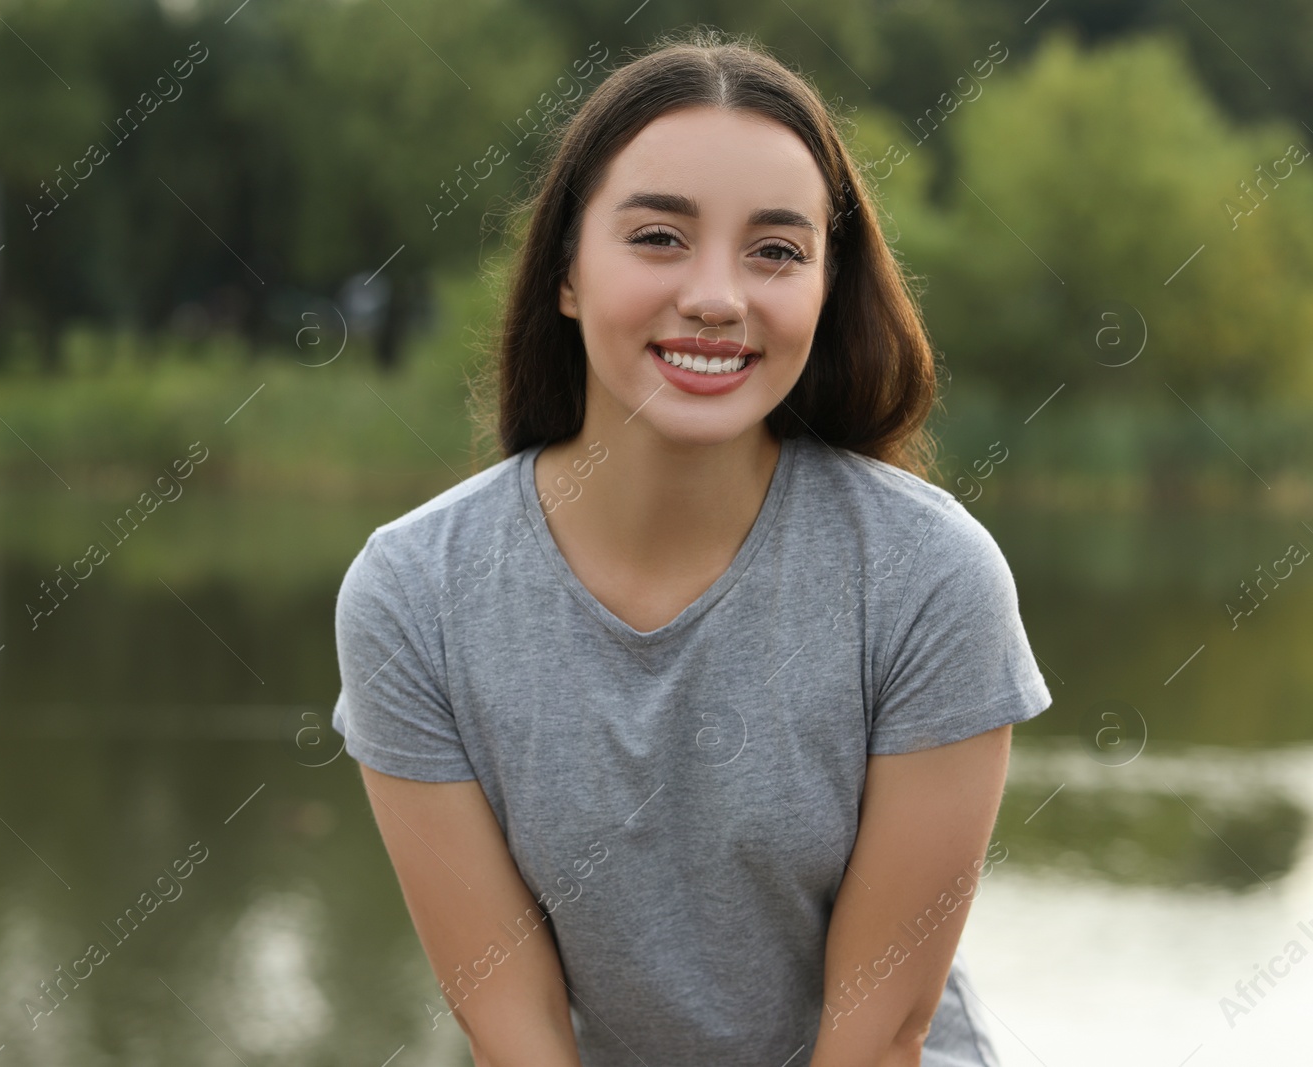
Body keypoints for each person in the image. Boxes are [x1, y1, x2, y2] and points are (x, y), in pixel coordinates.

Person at [330, 27, 1052, 1067]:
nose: (718, 294)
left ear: (822, 289)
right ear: (566, 272)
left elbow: (879, 1033)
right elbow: (512, 1024)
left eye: (775, 250)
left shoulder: (928, 577)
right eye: (659, 237)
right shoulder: (412, 593)